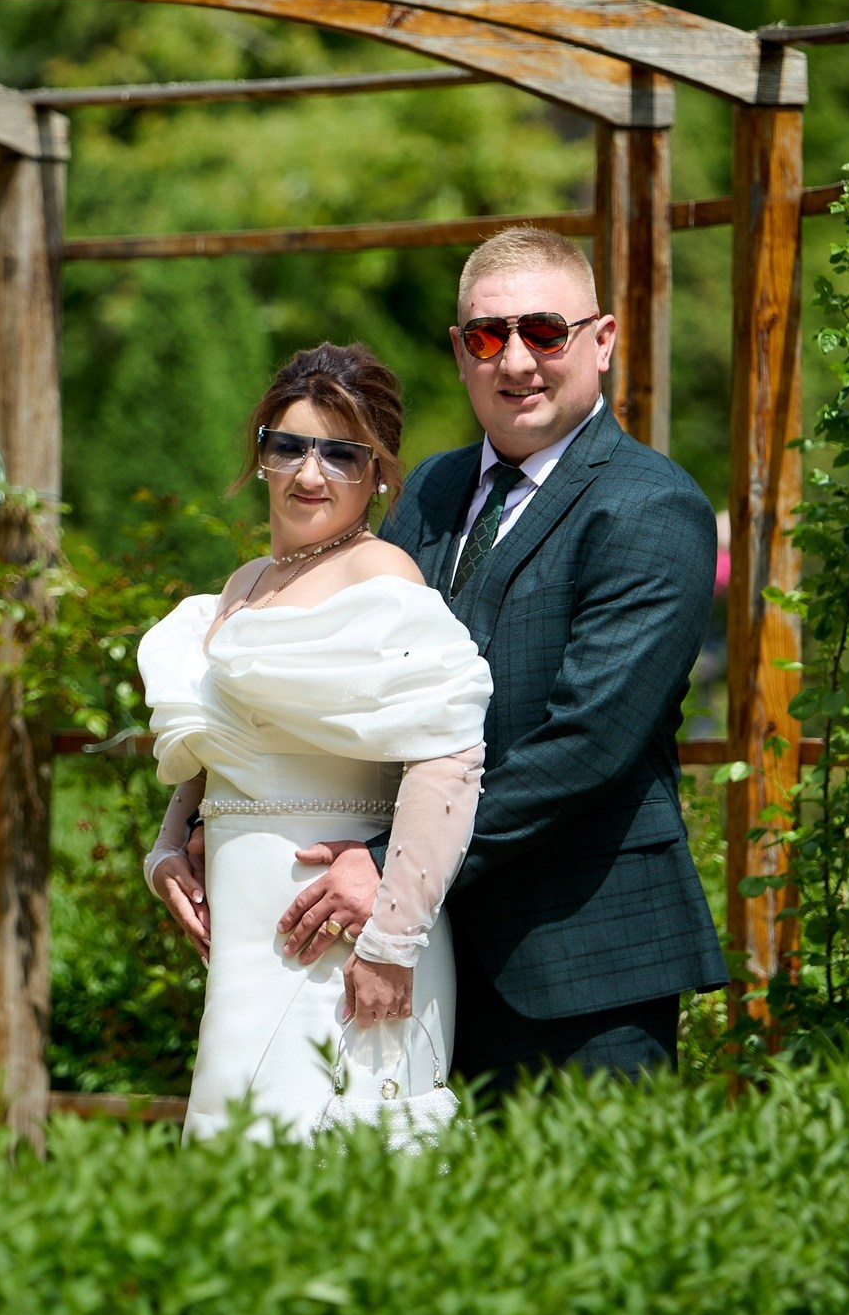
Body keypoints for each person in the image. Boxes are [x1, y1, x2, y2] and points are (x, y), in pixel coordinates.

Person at [277, 226, 727, 1084]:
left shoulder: (652, 505)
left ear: (602, 340)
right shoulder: (430, 490)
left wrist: (392, 866)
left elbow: (586, 744)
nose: (516, 360)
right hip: (422, 957)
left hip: (582, 966)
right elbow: (344, 676)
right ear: (460, 352)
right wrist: (222, 818)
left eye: (545, 332)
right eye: (489, 336)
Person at [137, 343, 491, 1141]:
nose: (309, 473)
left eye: (341, 454)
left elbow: (449, 757)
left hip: (340, 945)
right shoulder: (245, 584)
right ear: (261, 451)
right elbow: (219, 735)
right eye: (289, 445)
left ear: (379, 473)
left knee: (332, 1182)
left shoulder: (382, 574)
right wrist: (168, 848)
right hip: (245, 948)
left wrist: (393, 941)